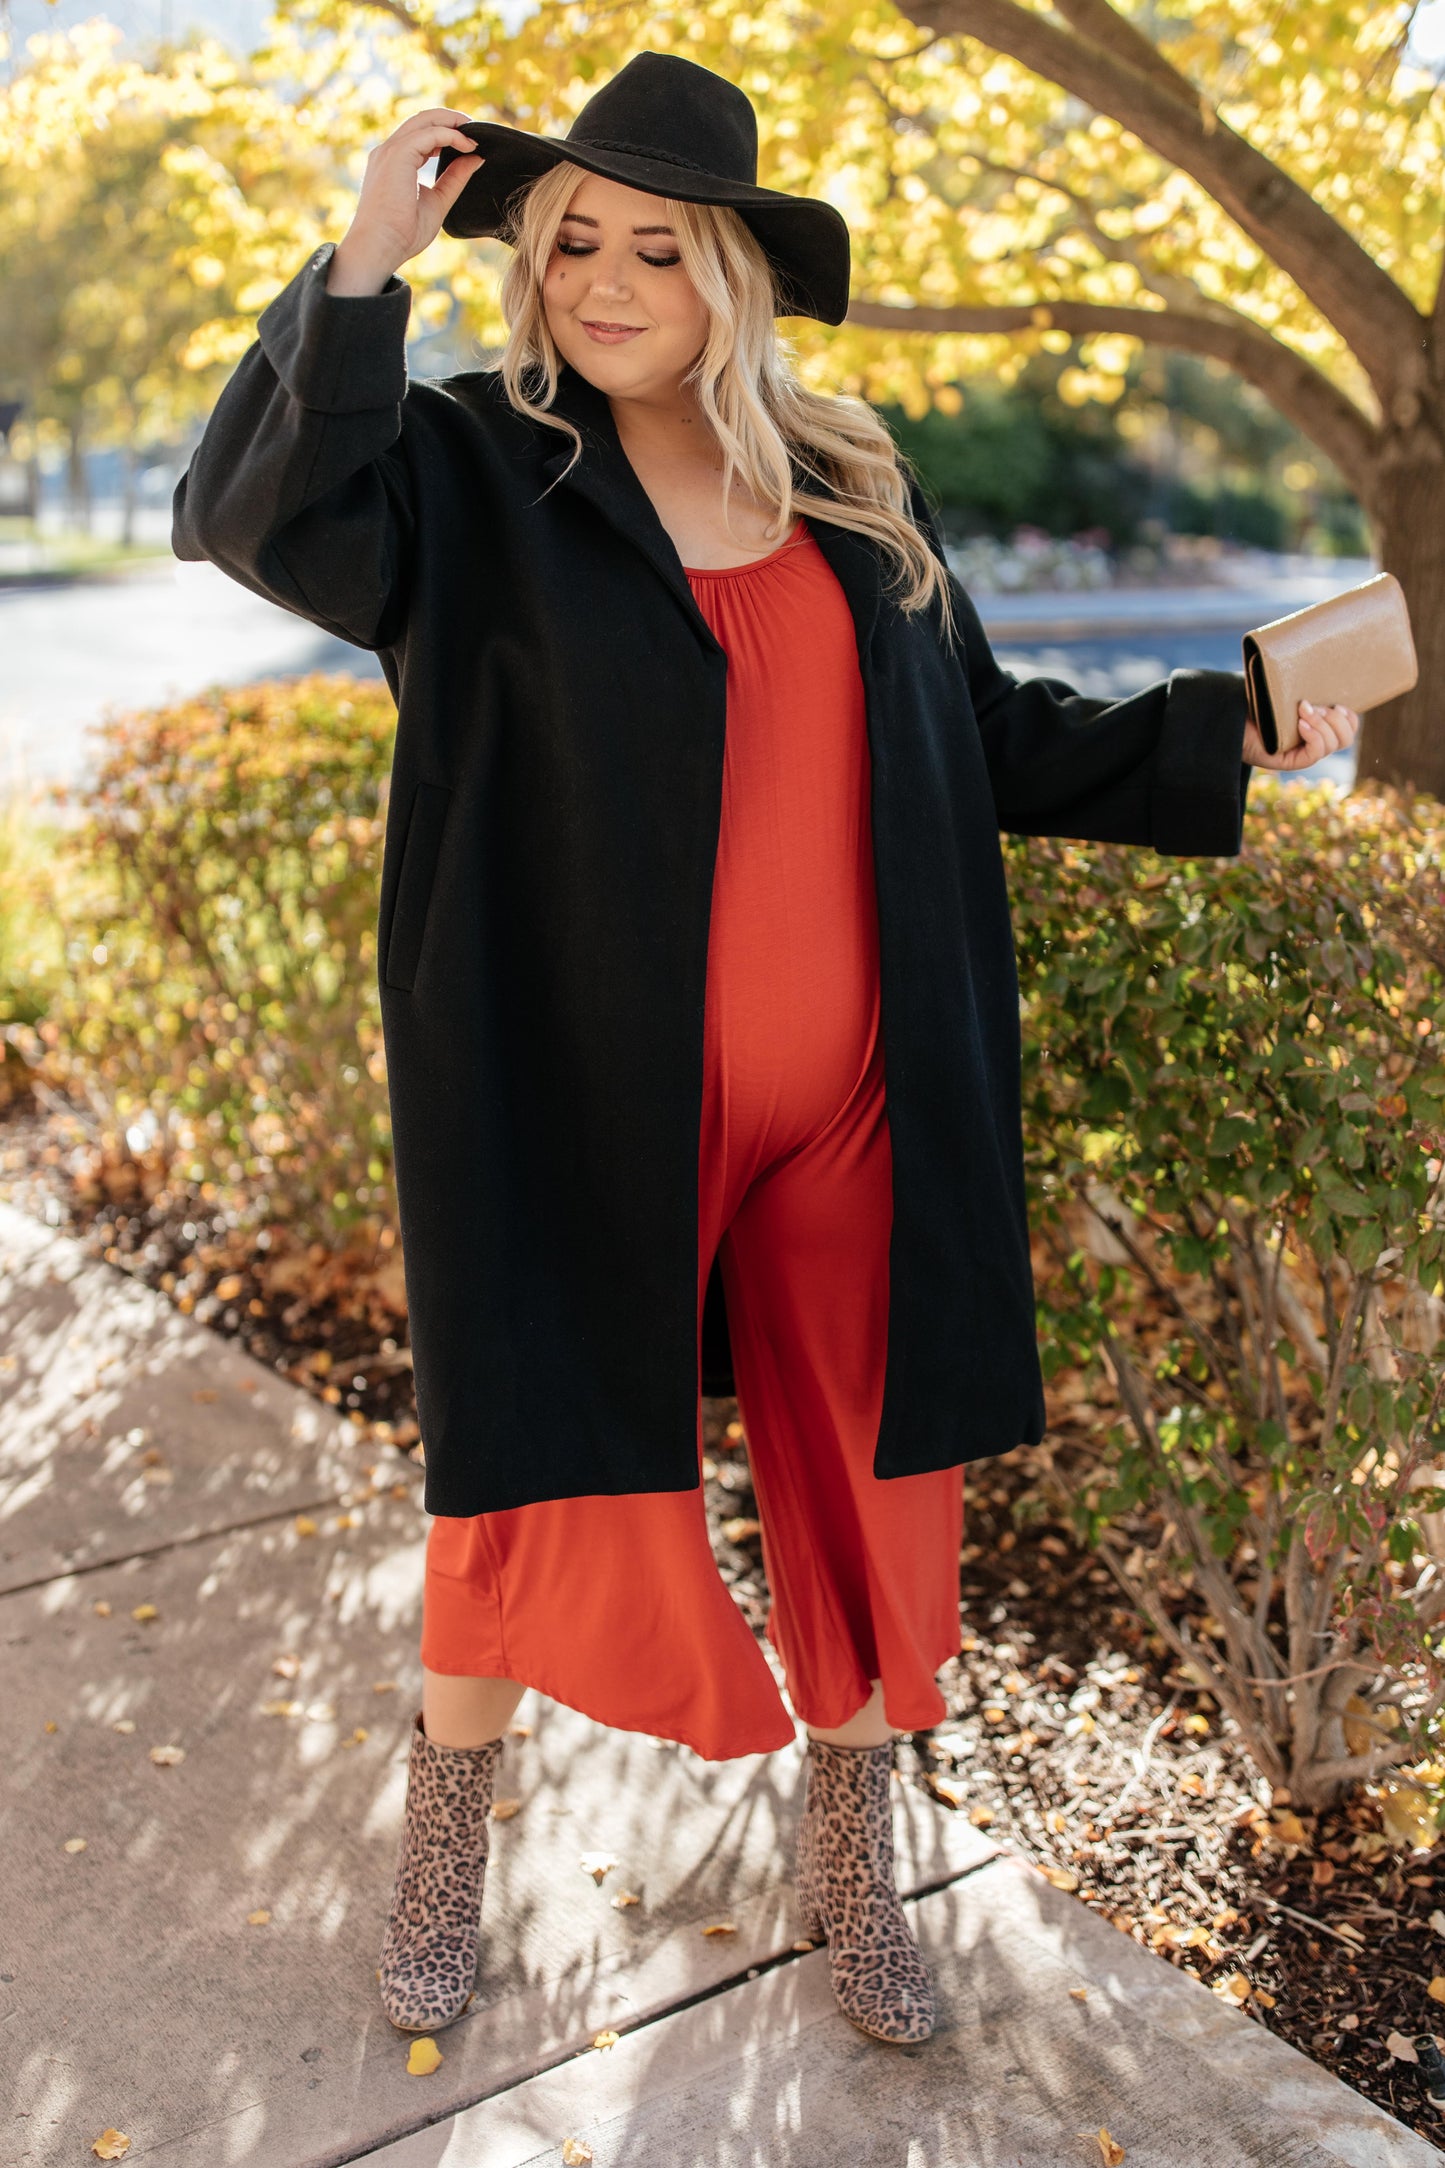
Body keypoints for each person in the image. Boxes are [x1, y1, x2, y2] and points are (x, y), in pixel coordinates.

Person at [172, 51, 1359, 2049]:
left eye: (654, 242)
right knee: (522, 1492)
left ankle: (850, 1871)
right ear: (525, 267)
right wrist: (365, 257)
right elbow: (251, 513)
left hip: (865, 1110)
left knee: (880, 1500)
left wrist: (1226, 725)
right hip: (585, 1106)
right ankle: (445, 1848)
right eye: (567, 242)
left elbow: (984, 742)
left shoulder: (850, 484)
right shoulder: (471, 475)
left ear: (731, 272)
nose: (604, 278)